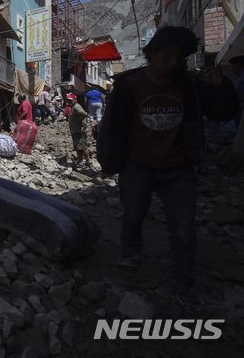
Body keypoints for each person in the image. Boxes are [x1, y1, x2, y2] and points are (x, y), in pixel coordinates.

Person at [96, 26, 238, 313]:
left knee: (184, 228)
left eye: (178, 58)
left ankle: (183, 283)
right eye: (167, 56)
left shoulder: (190, 85)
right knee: (133, 216)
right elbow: (112, 127)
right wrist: (109, 162)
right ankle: (131, 253)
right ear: (152, 54)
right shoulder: (129, 84)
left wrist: (221, 86)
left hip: (179, 168)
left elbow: (223, 112)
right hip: (137, 166)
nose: (172, 63)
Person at [65, 93, 90, 167]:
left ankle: (80, 161)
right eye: (68, 100)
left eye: (70, 100)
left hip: (78, 130)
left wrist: (80, 121)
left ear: (75, 100)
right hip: (77, 130)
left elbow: (84, 114)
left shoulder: (76, 106)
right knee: (83, 146)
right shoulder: (73, 107)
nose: (69, 102)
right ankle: (88, 161)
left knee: (79, 147)